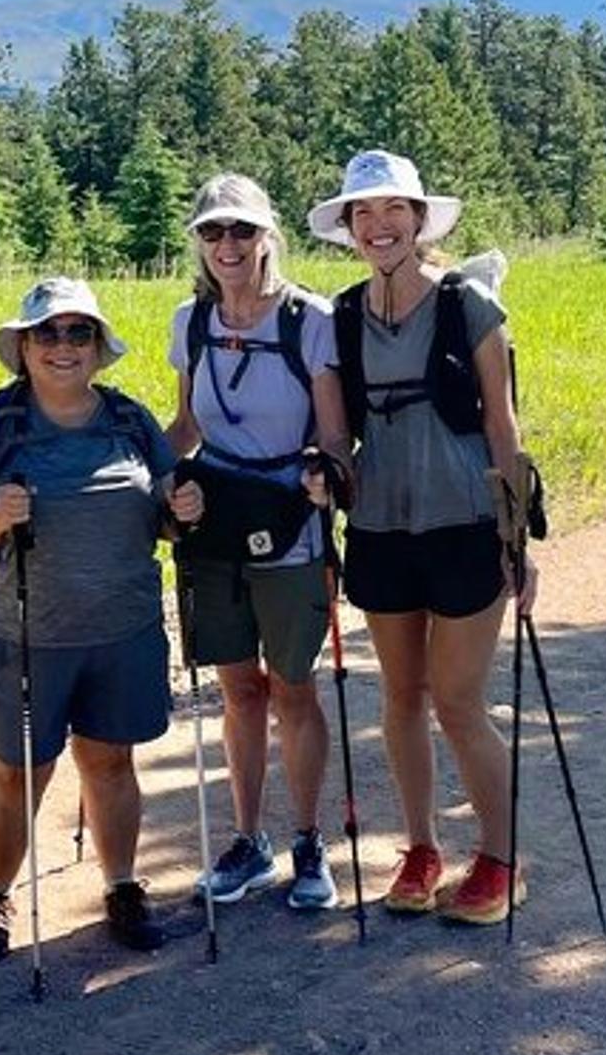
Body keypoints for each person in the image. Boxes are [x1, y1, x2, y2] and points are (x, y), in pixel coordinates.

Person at [0, 277, 203, 962]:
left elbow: (166, 512)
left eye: (78, 332)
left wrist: (184, 511)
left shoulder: (130, 421)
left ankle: (122, 884)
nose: (62, 346)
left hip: (121, 630)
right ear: (22, 346)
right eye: (46, 333)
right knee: (17, 771)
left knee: (112, 761)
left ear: (98, 348)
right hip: (23, 636)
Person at [307, 149, 540, 925]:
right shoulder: (340, 317)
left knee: (458, 700)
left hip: (466, 523)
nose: (378, 226)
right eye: (362, 214)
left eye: (391, 211)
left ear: (417, 220)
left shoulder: (469, 303)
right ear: (348, 228)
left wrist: (519, 541)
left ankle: (502, 860)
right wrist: (326, 473)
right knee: (399, 697)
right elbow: (338, 436)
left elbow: (503, 427)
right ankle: (421, 848)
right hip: (380, 527)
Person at [164, 174, 351, 911]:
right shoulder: (190, 320)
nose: (228, 245)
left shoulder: (311, 318)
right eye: (213, 232)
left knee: (293, 687)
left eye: (242, 230)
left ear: (269, 235)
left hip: (289, 518)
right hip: (215, 520)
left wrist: (327, 475)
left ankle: (307, 839)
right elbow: (186, 428)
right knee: (239, 690)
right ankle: (249, 841)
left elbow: (333, 432)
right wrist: (148, 477)